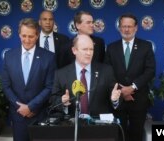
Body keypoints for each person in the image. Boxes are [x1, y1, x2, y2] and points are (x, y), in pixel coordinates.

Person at [0, 18, 56, 141]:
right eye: (24, 35)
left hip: (40, 115)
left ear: (37, 36)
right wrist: (20, 107)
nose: (27, 40)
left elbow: (49, 86)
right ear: (19, 34)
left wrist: (31, 107)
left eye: (31, 36)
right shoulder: (9, 56)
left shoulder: (48, 57)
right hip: (18, 116)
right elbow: (5, 85)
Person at [105, 13, 156, 141]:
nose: (126, 29)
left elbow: (150, 71)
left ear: (136, 28)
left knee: (136, 134)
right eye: (123, 26)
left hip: (138, 99)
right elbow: (107, 72)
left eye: (129, 26)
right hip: (118, 99)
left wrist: (132, 87)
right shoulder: (111, 48)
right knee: (117, 134)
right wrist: (122, 91)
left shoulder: (146, 46)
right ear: (119, 27)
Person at [49, 34, 121, 118]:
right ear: (74, 50)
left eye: (91, 49)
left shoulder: (106, 71)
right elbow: (53, 100)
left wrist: (115, 100)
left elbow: (116, 97)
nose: (89, 53)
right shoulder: (61, 74)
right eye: (85, 49)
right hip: (71, 126)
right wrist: (62, 101)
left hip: (99, 126)